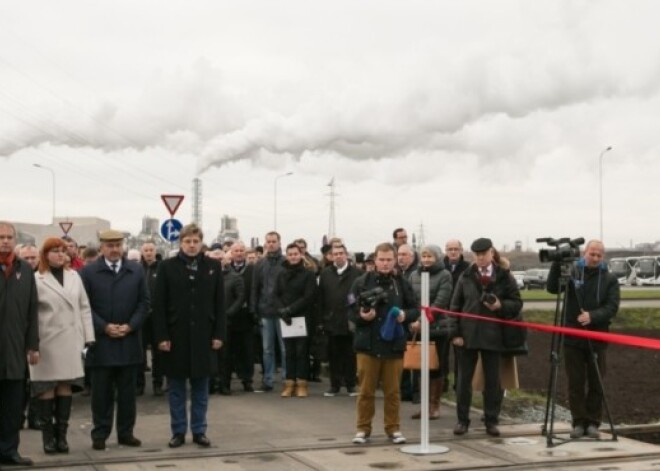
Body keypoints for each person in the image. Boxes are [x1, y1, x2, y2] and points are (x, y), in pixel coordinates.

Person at [152, 224, 225, 448]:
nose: (192, 246)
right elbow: (159, 305)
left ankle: (199, 430)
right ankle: (178, 431)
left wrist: (219, 333)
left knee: (201, 387)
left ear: (201, 242)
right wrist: (162, 336)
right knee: (176, 388)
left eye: (195, 241)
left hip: (204, 336)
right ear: (180, 243)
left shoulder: (213, 266)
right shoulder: (167, 267)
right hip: (176, 336)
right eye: (187, 242)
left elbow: (219, 303)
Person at [80, 229, 148, 451]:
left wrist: (130, 326)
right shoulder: (89, 272)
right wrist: (104, 327)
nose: (114, 249)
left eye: (118, 245)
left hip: (128, 341)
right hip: (101, 343)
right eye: (110, 245)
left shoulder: (135, 270)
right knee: (101, 394)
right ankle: (100, 434)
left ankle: (126, 433)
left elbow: (144, 303)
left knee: (128, 394)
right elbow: (85, 306)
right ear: (101, 247)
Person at [546, 239, 619, 439]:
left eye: (599, 255)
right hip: (572, 337)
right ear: (584, 253)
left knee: (596, 382)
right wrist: (557, 263)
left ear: (603, 256)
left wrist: (593, 316)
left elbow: (612, 307)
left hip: (597, 337)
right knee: (575, 382)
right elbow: (552, 288)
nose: (595, 258)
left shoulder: (610, 279)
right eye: (592, 253)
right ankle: (578, 422)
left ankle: (593, 423)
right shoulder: (572, 273)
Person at [451, 238, 522, 437]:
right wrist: (455, 333)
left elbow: (516, 303)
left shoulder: (504, 276)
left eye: (484, 254)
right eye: (477, 255)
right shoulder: (465, 276)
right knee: (464, 381)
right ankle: (462, 420)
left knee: (493, 382)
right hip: (467, 336)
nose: (480, 258)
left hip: (494, 335)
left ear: (491, 253)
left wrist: (501, 306)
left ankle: (491, 420)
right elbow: (455, 306)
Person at [349, 242, 418, 445]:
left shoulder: (402, 283)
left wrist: (405, 315)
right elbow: (350, 308)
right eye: (382, 259)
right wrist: (362, 316)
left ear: (395, 260)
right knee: (366, 391)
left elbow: (415, 308)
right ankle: (362, 429)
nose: (385, 263)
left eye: (389, 260)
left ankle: (393, 429)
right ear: (375, 260)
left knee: (393, 392)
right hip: (367, 345)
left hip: (393, 344)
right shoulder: (360, 282)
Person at [31, 237, 95, 454]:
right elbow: (30, 314)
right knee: (46, 388)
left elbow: (84, 307)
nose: (61, 254)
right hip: (46, 341)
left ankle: (62, 437)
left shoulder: (74, 276)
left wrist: (88, 337)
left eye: (63, 250)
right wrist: (31, 344)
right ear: (45, 254)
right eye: (55, 251)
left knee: (65, 386)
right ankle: (48, 438)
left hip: (70, 340)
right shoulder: (36, 278)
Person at [0, 221, 39, 466]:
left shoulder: (24, 270)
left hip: (14, 351)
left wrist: (32, 345)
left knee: (13, 407)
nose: (5, 240)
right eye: (1, 236)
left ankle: (9, 451)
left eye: (9, 237)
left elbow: (32, 310)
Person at [408, 244, 453, 420]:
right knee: (420, 369)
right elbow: (411, 300)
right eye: (424, 256)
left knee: (436, 368)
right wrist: (412, 319)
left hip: (437, 329)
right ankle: (424, 406)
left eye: (430, 256)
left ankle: (435, 406)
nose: (426, 260)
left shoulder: (445, 275)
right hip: (417, 328)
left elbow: (440, 301)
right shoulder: (414, 275)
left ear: (437, 258)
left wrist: (421, 320)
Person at [317, 243, 362, 396]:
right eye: (335, 254)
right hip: (332, 320)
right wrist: (322, 319)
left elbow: (359, 297)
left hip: (350, 321)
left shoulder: (357, 274)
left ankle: (350, 385)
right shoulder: (326, 274)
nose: (338, 256)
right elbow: (321, 297)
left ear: (346, 254)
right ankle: (334, 385)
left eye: (341, 253)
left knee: (350, 354)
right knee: (333, 354)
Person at [273, 243, 316, 398]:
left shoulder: (308, 274)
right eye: (290, 254)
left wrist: (290, 309)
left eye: (295, 254)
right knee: (289, 351)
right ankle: (289, 383)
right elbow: (275, 294)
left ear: (300, 255)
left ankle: (302, 383)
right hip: (286, 318)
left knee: (301, 351)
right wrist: (282, 311)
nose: (293, 257)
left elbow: (309, 296)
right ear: (287, 255)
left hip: (302, 317)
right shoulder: (281, 273)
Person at [251, 231, 286, 392]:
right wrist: (254, 309)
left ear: (279, 243)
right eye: (269, 241)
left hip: (283, 312)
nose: (271, 244)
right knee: (267, 349)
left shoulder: (286, 262)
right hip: (265, 311)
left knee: (285, 348)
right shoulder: (260, 264)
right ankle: (268, 380)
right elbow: (255, 288)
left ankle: (288, 379)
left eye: (274, 241)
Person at [227, 241, 256, 392]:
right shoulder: (226, 270)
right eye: (236, 251)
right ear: (231, 253)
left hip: (246, 316)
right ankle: (228, 380)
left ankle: (247, 379)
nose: (239, 253)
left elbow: (255, 290)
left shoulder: (252, 269)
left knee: (246, 350)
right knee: (229, 349)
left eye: (241, 250)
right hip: (230, 315)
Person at [18, 244, 41, 431]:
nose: (31, 261)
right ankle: (18, 416)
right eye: (27, 258)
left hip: (41, 335)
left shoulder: (44, 277)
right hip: (18, 337)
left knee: (37, 380)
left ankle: (35, 417)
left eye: (34, 257)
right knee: (20, 381)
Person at [139, 241, 164, 397]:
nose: (148, 253)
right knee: (140, 353)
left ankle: (158, 383)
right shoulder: (137, 269)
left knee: (158, 353)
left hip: (157, 316)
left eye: (151, 250)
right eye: (146, 250)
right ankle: (139, 384)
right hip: (141, 317)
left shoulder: (162, 268)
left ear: (155, 252)